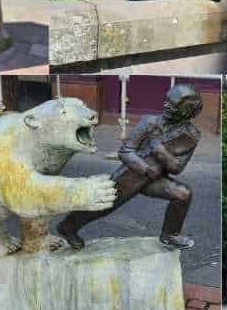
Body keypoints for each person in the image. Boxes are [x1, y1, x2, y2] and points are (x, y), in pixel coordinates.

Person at [57, 85, 204, 250]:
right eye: (167, 101)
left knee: (183, 194)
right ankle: (67, 227)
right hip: (132, 174)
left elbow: (177, 168)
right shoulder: (149, 122)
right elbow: (125, 151)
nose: (166, 106)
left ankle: (170, 234)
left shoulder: (191, 136)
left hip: (155, 179)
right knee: (104, 205)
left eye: (173, 104)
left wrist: (160, 151)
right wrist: (145, 169)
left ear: (187, 111)